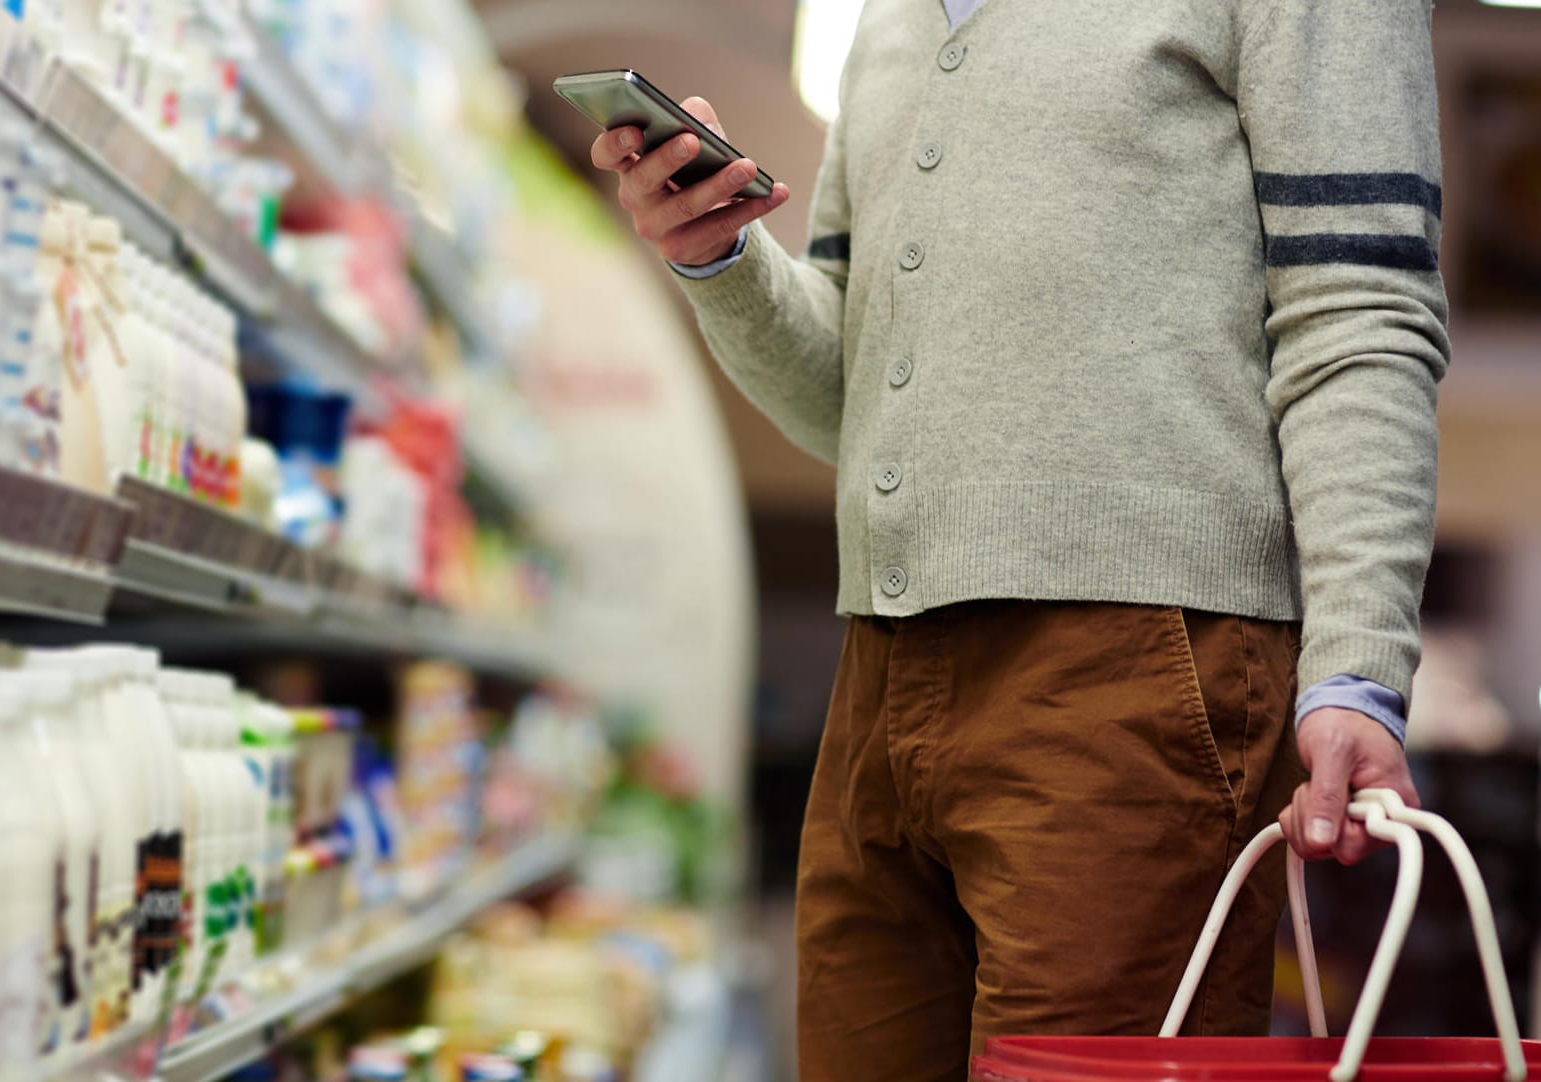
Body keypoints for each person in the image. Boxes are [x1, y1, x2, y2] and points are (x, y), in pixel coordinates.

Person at [590, 0, 1448, 1077]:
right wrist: (721, 258)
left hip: (1138, 681)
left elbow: (1357, 309)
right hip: (878, 684)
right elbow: (856, 408)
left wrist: (1359, 663)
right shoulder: (890, 17)